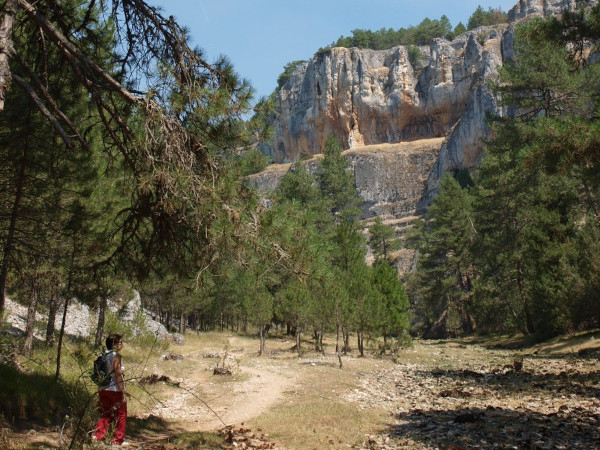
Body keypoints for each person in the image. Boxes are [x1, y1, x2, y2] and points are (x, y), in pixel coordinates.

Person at [93, 333, 129, 446]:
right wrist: (122, 391)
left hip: (103, 387)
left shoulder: (102, 354)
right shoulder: (116, 356)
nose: (121, 344)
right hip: (114, 389)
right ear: (114, 344)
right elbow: (118, 374)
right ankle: (118, 440)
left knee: (106, 412)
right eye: (120, 342)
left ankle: (97, 436)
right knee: (121, 413)